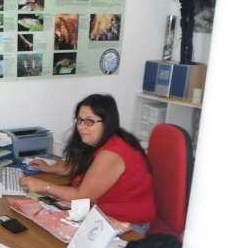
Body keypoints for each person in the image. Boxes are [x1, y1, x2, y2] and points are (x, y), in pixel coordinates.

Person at [20, 93, 155, 230]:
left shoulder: (112, 154)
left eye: (89, 121)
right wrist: (51, 168)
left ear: (107, 122)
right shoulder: (104, 139)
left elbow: (83, 196)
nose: (81, 127)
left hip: (128, 223)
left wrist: (44, 186)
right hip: (103, 211)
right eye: (80, 120)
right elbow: (83, 166)